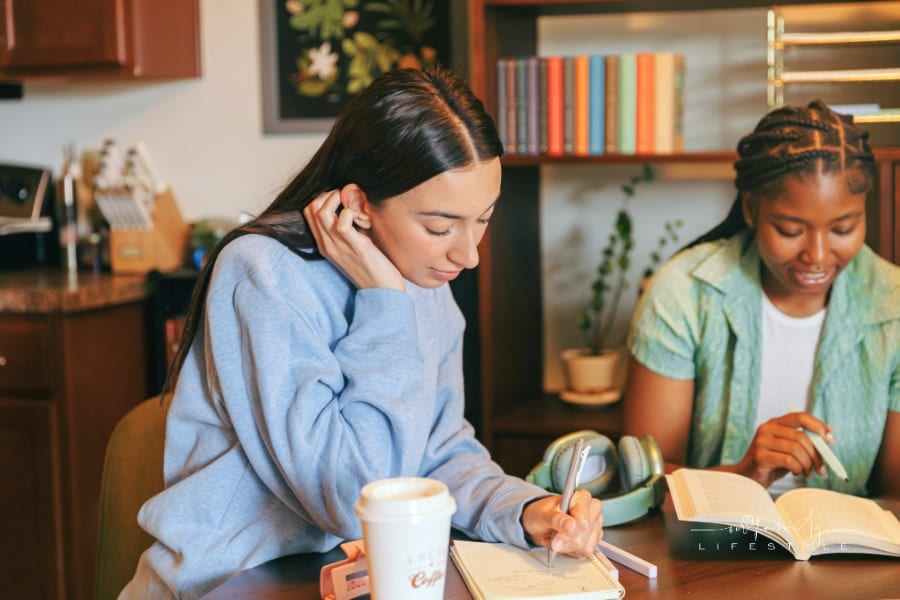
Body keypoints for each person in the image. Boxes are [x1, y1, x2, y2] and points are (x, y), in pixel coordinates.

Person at [120, 67, 604, 599]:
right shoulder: (263, 274)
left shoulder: (423, 274)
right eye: (441, 228)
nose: (468, 255)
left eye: (483, 219)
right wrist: (385, 301)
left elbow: (437, 452)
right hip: (231, 583)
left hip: (350, 581)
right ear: (358, 203)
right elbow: (356, 497)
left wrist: (525, 509)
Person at [622, 100, 899, 499]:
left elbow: (895, 500)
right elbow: (643, 481)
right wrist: (740, 476)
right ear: (751, 209)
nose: (817, 255)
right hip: (710, 551)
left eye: (843, 228)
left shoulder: (893, 307)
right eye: (790, 230)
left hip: (847, 557)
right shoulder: (683, 292)